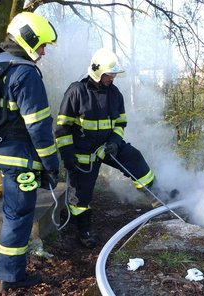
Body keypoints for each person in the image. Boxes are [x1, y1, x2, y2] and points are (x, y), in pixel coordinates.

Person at [55, 48, 169, 249]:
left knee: (134, 159)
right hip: (83, 153)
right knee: (81, 193)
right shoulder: (76, 91)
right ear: (97, 72)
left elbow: (120, 123)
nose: (113, 78)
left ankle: (159, 200)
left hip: (108, 146)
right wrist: (67, 155)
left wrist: (115, 143)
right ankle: (83, 228)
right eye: (110, 74)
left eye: (114, 74)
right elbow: (62, 125)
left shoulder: (115, 93)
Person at [0, 12, 59, 292]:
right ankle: (11, 278)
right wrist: (51, 165)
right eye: (41, 46)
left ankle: (9, 273)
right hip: (18, 159)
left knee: (13, 213)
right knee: (18, 216)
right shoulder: (25, 73)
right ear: (28, 39)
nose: (42, 52)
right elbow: (39, 127)